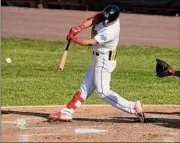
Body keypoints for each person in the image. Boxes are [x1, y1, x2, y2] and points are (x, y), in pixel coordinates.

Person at [49, 5, 145, 123]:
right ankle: (66, 112)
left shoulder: (111, 31)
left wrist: (75, 40)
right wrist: (78, 28)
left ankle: (133, 107)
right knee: (85, 87)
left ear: (114, 19)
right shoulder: (107, 16)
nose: (104, 21)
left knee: (103, 92)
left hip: (104, 61)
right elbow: (95, 19)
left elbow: (91, 42)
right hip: (98, 58)